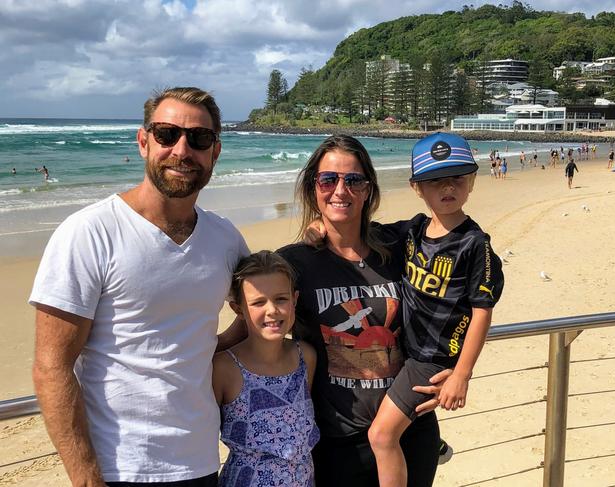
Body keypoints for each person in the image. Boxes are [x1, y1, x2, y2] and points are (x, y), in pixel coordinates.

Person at [30, 87, 249, 486]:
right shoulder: (90, 232)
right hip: (118, 468)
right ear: (144, 142)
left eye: (199, 139)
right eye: (167, 134)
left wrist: (207, 346)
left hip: (201, 462)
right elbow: (51, 366)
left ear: (215, 152)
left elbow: (263, 306)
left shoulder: (225, 238)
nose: (182, 150)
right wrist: (85, 478)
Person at [276, 135, 451, 487]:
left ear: (368, 189)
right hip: (336, 441)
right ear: (314, 188)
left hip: (410, 429)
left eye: (353, 180)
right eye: (329, 179)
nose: (341, 190)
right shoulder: (293, 263)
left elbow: (460, 289)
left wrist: (457, 369)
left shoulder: (400, 246)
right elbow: (256, 326)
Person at [365, 133, 504, 487]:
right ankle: (432, 445)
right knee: (397, 424)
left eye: (457, 178)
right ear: (417, 188)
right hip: (405, 349)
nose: (447, 188)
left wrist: (461, 374)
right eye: (435, 181)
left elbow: (482, 312)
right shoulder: (413, 231)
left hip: (434, 357)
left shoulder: (475, 245)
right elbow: (368, 233)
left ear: (472, 181)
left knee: (381, 436)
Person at [214, 251, 319, 486]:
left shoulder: (306, 357)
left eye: (281, 299)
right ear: (238, 309)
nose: (272, 310)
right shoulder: (224, 368)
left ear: (295, 300)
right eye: (258, 302)